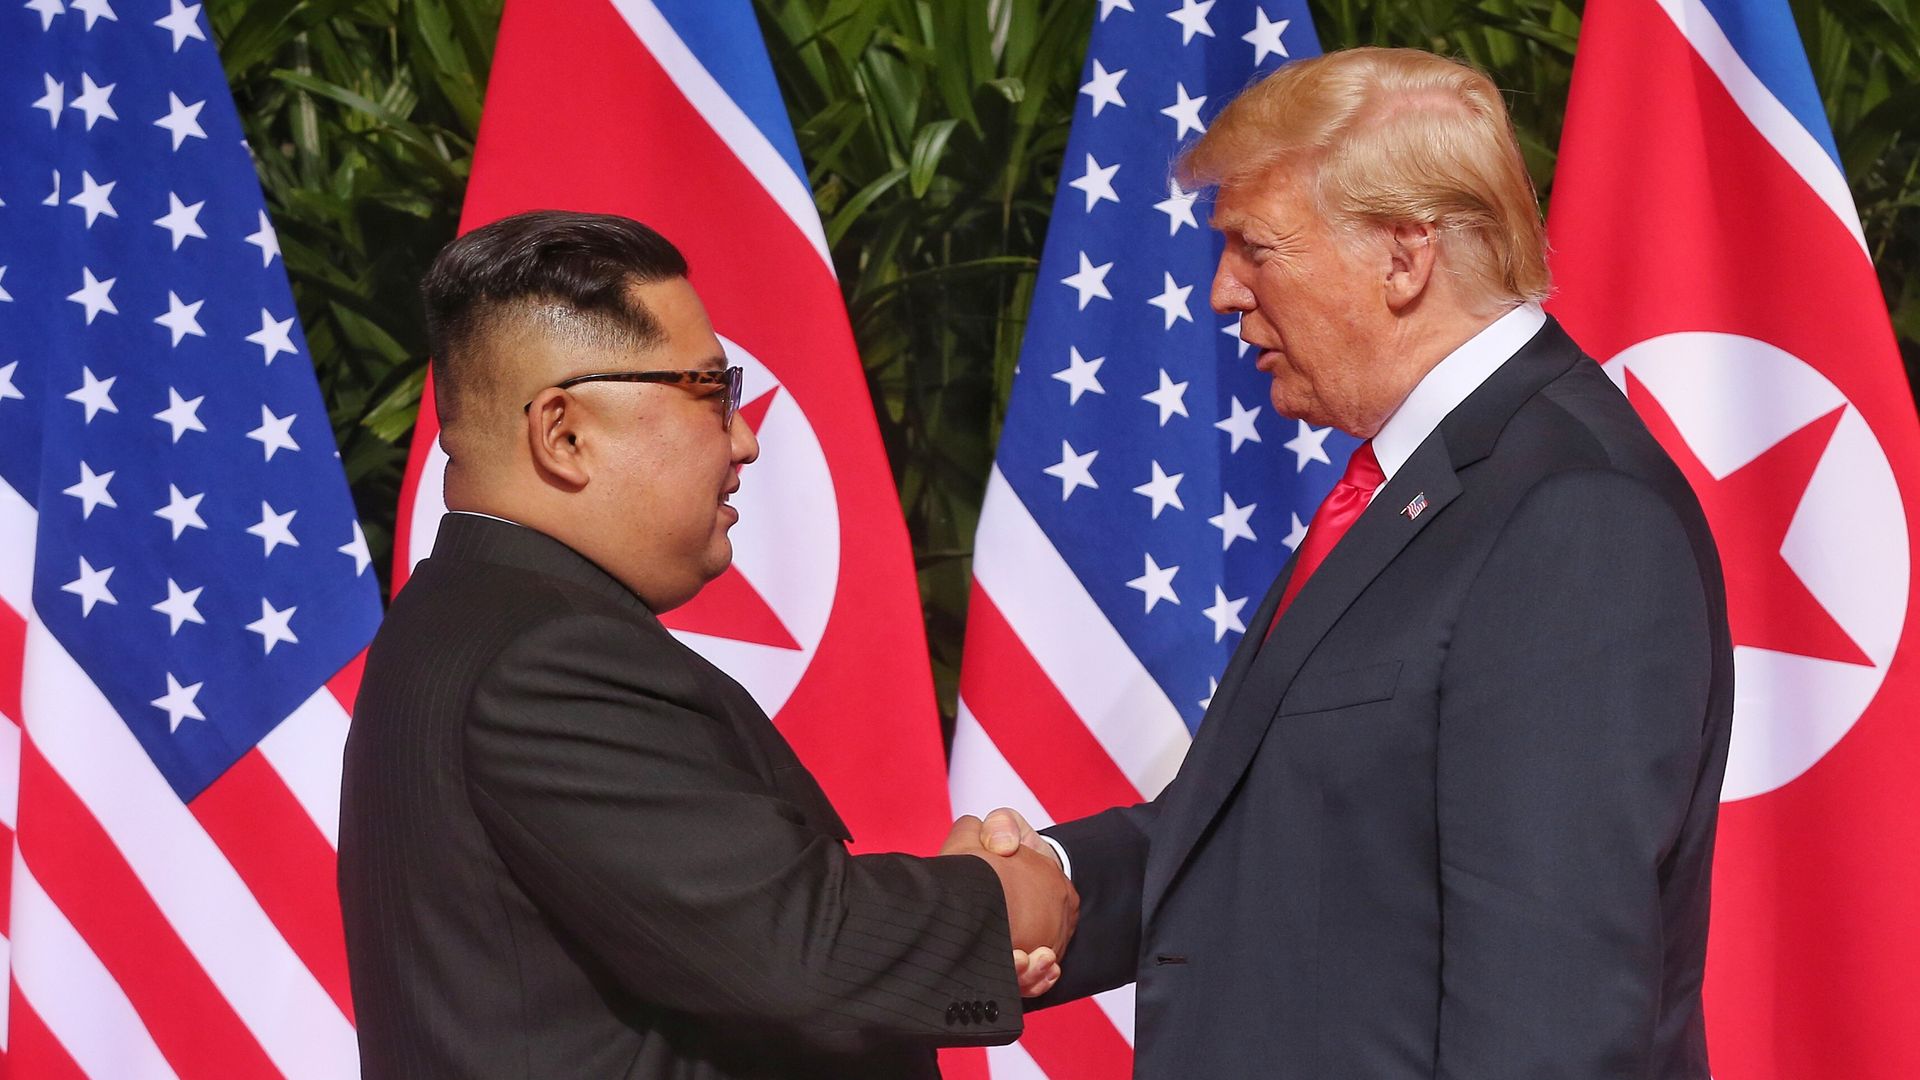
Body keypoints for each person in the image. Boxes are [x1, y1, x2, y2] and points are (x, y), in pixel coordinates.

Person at [969, 48, 1733, 1078]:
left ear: (1405, 255)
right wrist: (1043, 880)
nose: (1221, 293)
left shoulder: (1575, 515)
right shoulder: (1419, 481)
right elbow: (1276, 835)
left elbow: (1548, 1010)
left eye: (1254, 246)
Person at [338, 209, 1074, 1079]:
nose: (747, 439)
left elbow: (739, 942)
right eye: (712, 391)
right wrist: (1000, 900)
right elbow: (800, 955)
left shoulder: (467, 621)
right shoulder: (546, 660)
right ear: (564, 433)